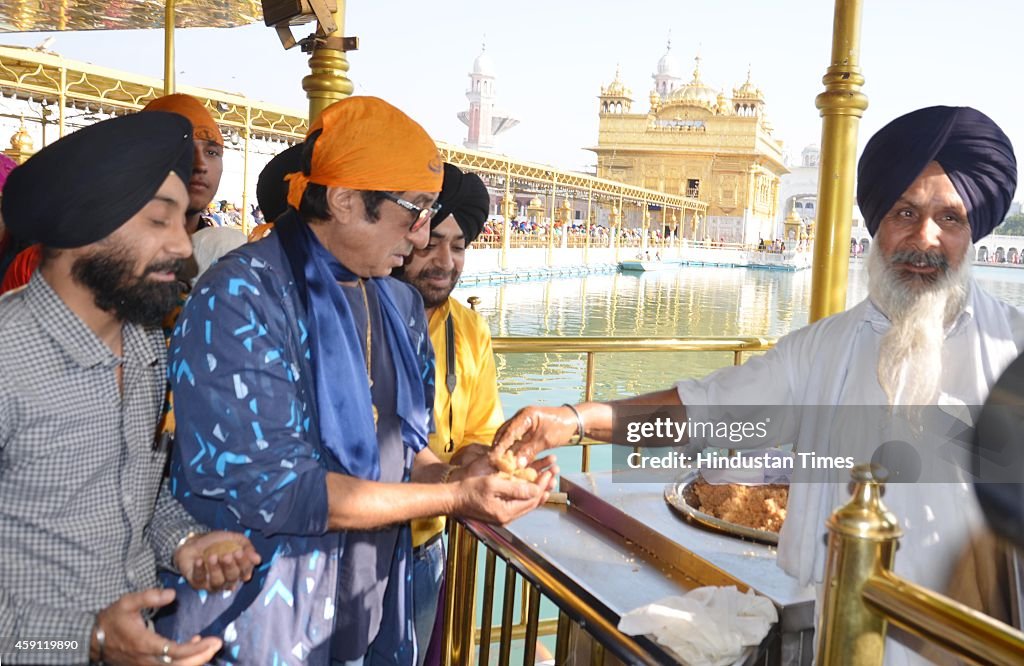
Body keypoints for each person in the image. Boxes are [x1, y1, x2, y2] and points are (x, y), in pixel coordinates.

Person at [492, 106, 1022, 664]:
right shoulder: (824, 350)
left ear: (974, 232)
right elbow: (705, 412)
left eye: (951, 218)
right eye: (905, 212)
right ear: (877, 226)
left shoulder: (1012, 355)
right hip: (839, 642)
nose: (925, 237)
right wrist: (575, 420)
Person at [158, 96, 556, 664]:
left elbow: (403, 450)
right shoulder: (242, 297)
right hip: (258, 612)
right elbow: (279, 490)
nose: (421, 238)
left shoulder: (396, 303)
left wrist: (461, 469)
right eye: (413, 210)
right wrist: (454, 496)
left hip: (370, 598)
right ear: (344, 200)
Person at [0, 112, 260, 666]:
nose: (184, 249)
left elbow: (131, 497)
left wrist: (188, 543)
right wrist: (87, 639)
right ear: (85, 229)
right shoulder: (7, 361)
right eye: (158, 222)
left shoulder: (145, 350)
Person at [394, 163, 504, 662]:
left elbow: (482, 428)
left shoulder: (470, 329)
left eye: (458, 246)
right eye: (433, 241)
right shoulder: (361, 313)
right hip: (355, 540)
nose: (445, 261)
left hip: (427, 541)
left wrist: (487, 463)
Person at [0, 93, 230, 293]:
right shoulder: (52, 262)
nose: (200, 164)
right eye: (184, 149)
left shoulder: (226, 254)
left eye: (212, 152)